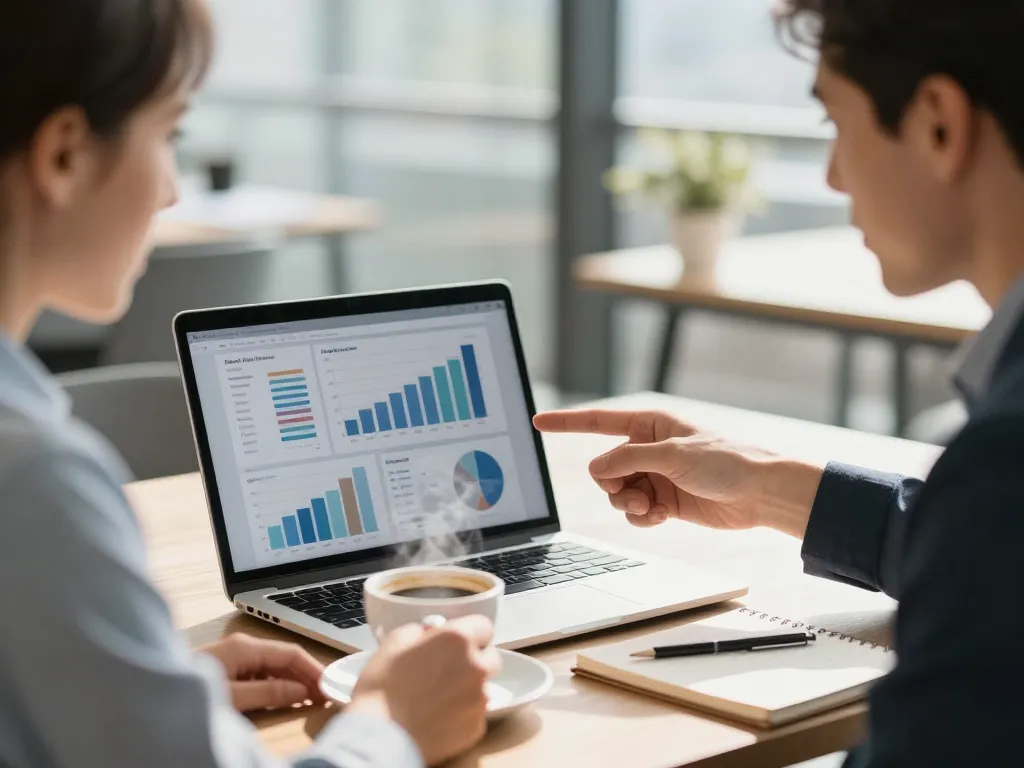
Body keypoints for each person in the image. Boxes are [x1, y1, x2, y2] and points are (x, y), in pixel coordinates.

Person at [0, 1, 496, 767]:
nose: (171, 192)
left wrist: (149, 692)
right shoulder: (36, 482)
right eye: (169, 135)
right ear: (63, 154)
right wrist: (393, 726)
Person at [537, 1, 1024, 765]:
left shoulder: (1003, 460)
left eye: (836, 122)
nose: (832, 174)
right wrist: (766, 487)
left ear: (938, 122)